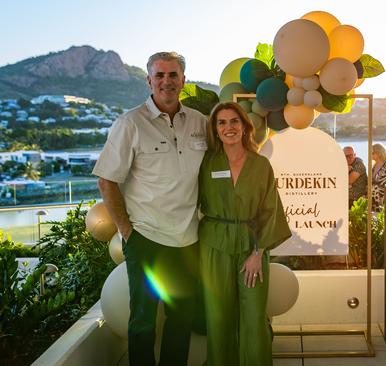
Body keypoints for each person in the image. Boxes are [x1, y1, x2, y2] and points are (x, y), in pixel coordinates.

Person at [93, 52, 207, 366]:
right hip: (147, 239)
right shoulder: (129, 123)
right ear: (149, 80)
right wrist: (127, 233)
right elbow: (107, 182)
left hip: (188, 241)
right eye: (160, 75)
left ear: (183, 80)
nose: (167, 82)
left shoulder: (200, 123)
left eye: (173, 75)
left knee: (181, 320)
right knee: (142, 323)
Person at [199, 102, 291, 366]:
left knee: (254, 316)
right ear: (215, 131)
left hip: (253, 247)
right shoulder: (206, 164)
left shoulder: (261, 165)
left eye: (234, 121)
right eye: (222, 123)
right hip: (214, 245)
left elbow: (271, 211)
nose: (229, 127)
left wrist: (258, 253)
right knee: (218, 317)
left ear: (245, 126)